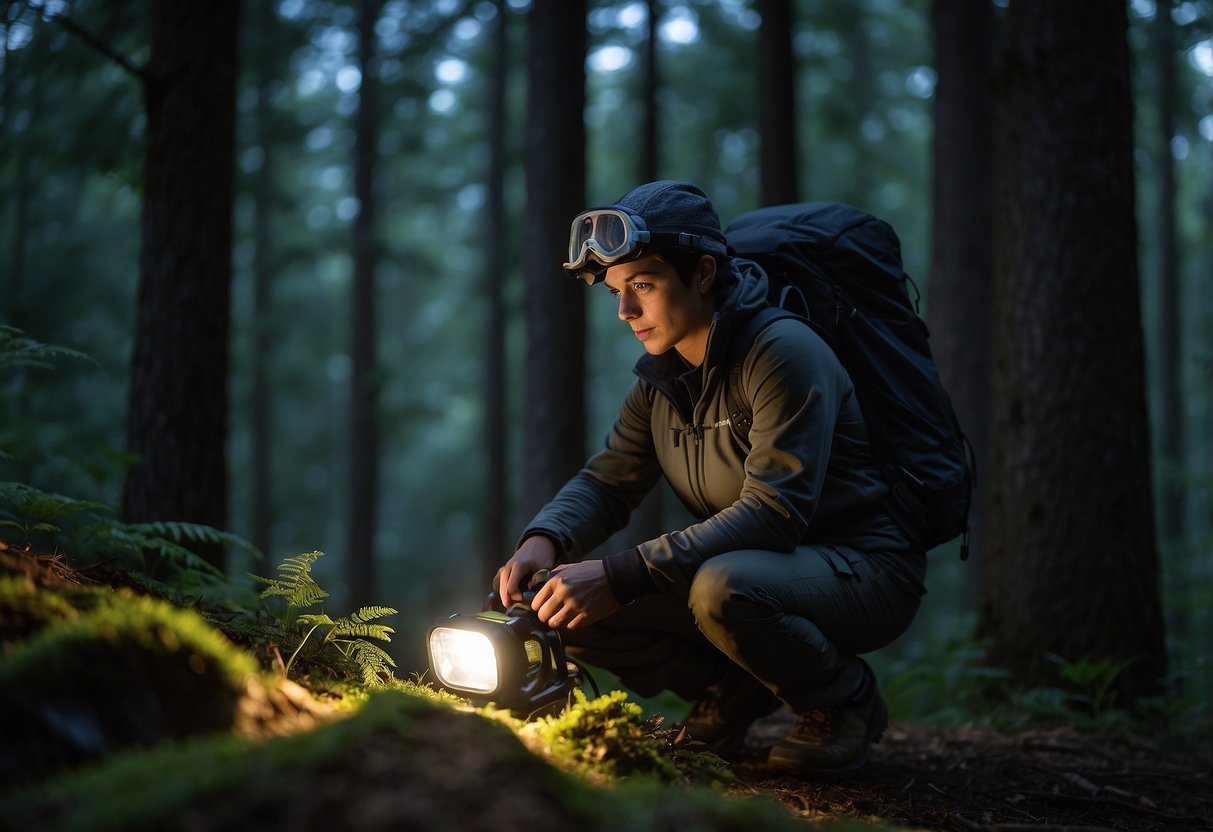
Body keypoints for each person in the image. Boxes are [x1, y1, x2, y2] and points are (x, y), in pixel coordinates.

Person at [495, 180, 926, 776]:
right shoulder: (660, 381)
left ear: (701, 273)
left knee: (721, 587)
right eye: (618, 292)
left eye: (642, 286)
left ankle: (842, 700)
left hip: (865, 569)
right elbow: (608, 481)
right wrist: (544, 541)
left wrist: (623, 574)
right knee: (554, 599)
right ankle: (733, 689)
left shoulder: (782, 353)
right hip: (756, 569)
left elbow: (775, 513)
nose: (625, 311)